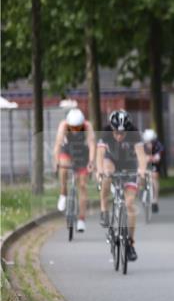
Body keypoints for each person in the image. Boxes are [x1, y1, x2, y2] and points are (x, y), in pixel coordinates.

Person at [97, 110, 148, 262]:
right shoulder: (105, 133)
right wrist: (99, 171)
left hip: (129, 165)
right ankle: (104, 210)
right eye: (116, 133)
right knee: (106, 173)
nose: (119, 136)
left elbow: (141, 156)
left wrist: (142, 171)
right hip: (111, 161)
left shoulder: (134, 134)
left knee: (130, 204)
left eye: (122, 134)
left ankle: (130, 243)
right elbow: (99, 155)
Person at [52, 107, 96, 233]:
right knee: (63, 166)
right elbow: (58, 145)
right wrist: (56, 161)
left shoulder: (88, 126)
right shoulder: (63, 125)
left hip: (82, 152)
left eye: (78, 127)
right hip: (68, 150)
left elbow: (92, 145)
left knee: (82, 186)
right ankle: (63, 193)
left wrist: (91, 162)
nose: (76, 130)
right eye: (73, 128)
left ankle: (81, 219)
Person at [142, 128, 164, 213]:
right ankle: (143, 191)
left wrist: (156, 158)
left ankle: (155, 200)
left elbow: (160, 155)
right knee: (141, 175)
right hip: (144, 163)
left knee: (154, 177)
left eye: (152, 141)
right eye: (148, 142)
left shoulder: (158, 145)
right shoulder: (141, 145)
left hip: (154, 163)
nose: (150, 144)